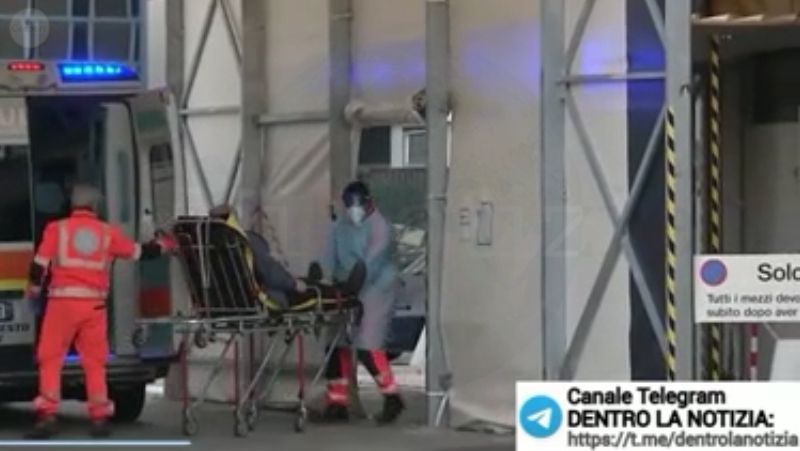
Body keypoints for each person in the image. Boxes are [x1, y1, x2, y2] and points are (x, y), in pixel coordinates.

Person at [24, 184, 177, 439]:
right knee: (94, 363)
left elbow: (39, 266)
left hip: (62, 305)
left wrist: (33, 292)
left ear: (72, 205)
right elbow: (139, 252)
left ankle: (47, 417)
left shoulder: (56, 229)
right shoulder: (107, 233)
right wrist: (164, 244)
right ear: (97, 207)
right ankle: (99, 418)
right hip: (93, 307)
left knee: (50, 358)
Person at [315, 180, 405, 424]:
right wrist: (324, 282)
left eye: (357, 206)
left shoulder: (380, 227)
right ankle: (337, 402)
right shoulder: (339, 226)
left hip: (376, 288)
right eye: (349, 206)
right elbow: (328, 257)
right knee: (336, 343)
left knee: (367, 344)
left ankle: (392, 397)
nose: (354, 211)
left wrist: (353, 285)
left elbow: (371, 262)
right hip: (345, 285)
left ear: (368, 202)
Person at [208, 204, 308, 309]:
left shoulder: (204, 244)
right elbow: (271, 274)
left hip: (216, 305)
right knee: (309, 291)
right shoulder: (242, 239)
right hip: (256, 301)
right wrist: (294, 283)